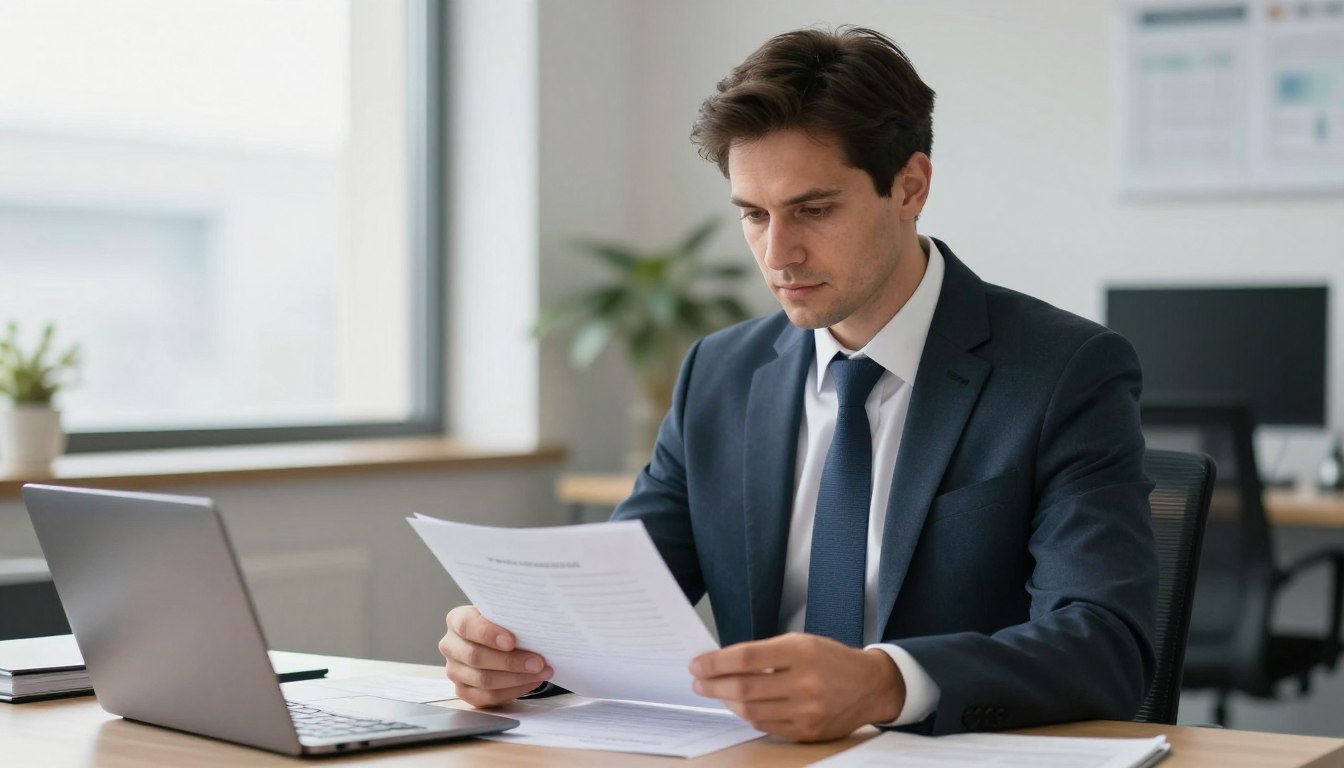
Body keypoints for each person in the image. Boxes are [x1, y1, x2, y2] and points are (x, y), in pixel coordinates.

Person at [439, 25, 1157, 741]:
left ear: (910, 187)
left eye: (813, 210)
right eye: (754, 215)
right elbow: (610, 606)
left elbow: (1105, 644)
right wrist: (516, 653)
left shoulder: (1065, 371)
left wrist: (885, 683)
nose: (778, 254)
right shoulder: (719, 374)